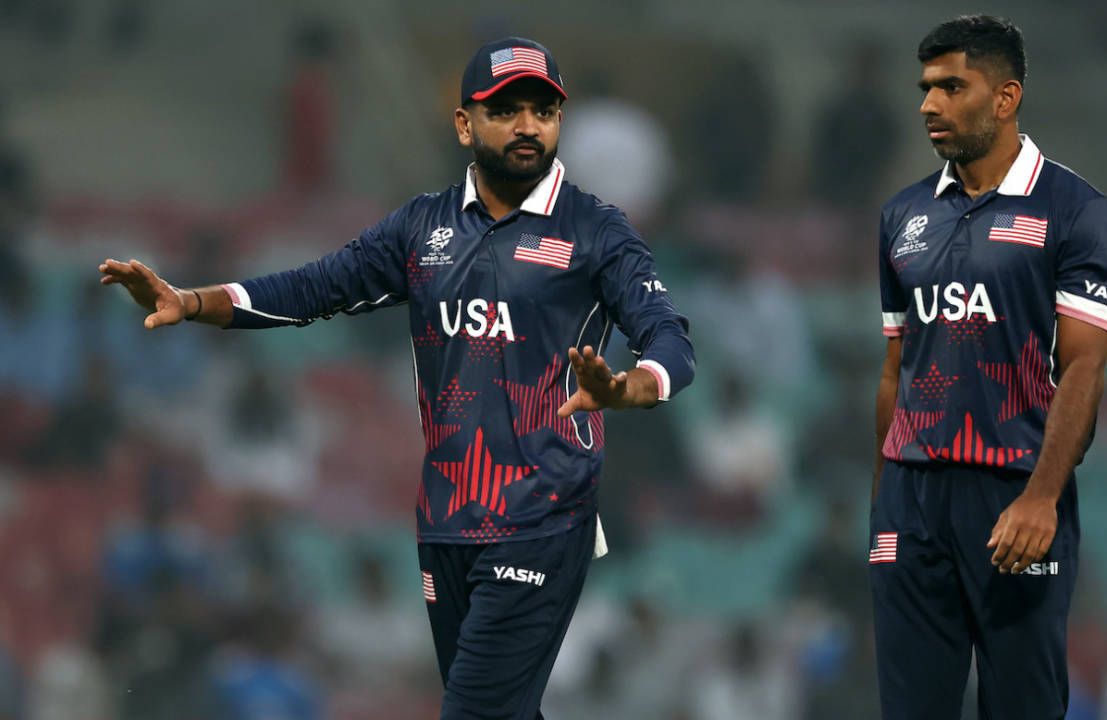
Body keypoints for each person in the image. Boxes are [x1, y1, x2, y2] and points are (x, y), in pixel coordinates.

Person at [99, 36, 695, 719]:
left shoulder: (596, 232)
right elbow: (311, 289)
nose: (528, 124)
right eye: (506, 109)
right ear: (465, 124)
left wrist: (631, 387)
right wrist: (192, 303)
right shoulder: (423, 228)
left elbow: (669, 338)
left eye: (543, 109)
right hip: (447, 517)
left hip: (543, 515)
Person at [870, 15, 1107, 720]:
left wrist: (1042, 497)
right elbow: (896, 367)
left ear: (1005, 97)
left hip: (1014, 495)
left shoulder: (1074, 210)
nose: (929, 104)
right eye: (925, 88)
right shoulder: (903, 214)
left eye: (952, 86)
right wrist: (881, 499)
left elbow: (1084, 371)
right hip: (909, 502)